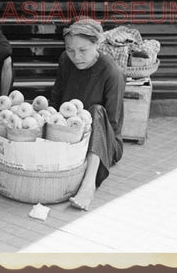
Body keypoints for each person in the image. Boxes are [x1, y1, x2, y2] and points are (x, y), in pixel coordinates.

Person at [50, 18, 125, 211]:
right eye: (70, 50)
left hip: (104, 143)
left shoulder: (111, 72)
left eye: (83, 50)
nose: (76, 56)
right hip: (71, 135)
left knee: (96, 111)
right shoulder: (65, 61)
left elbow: (113, 124)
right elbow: (56, 99)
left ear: (97, 44)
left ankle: (89, 184)